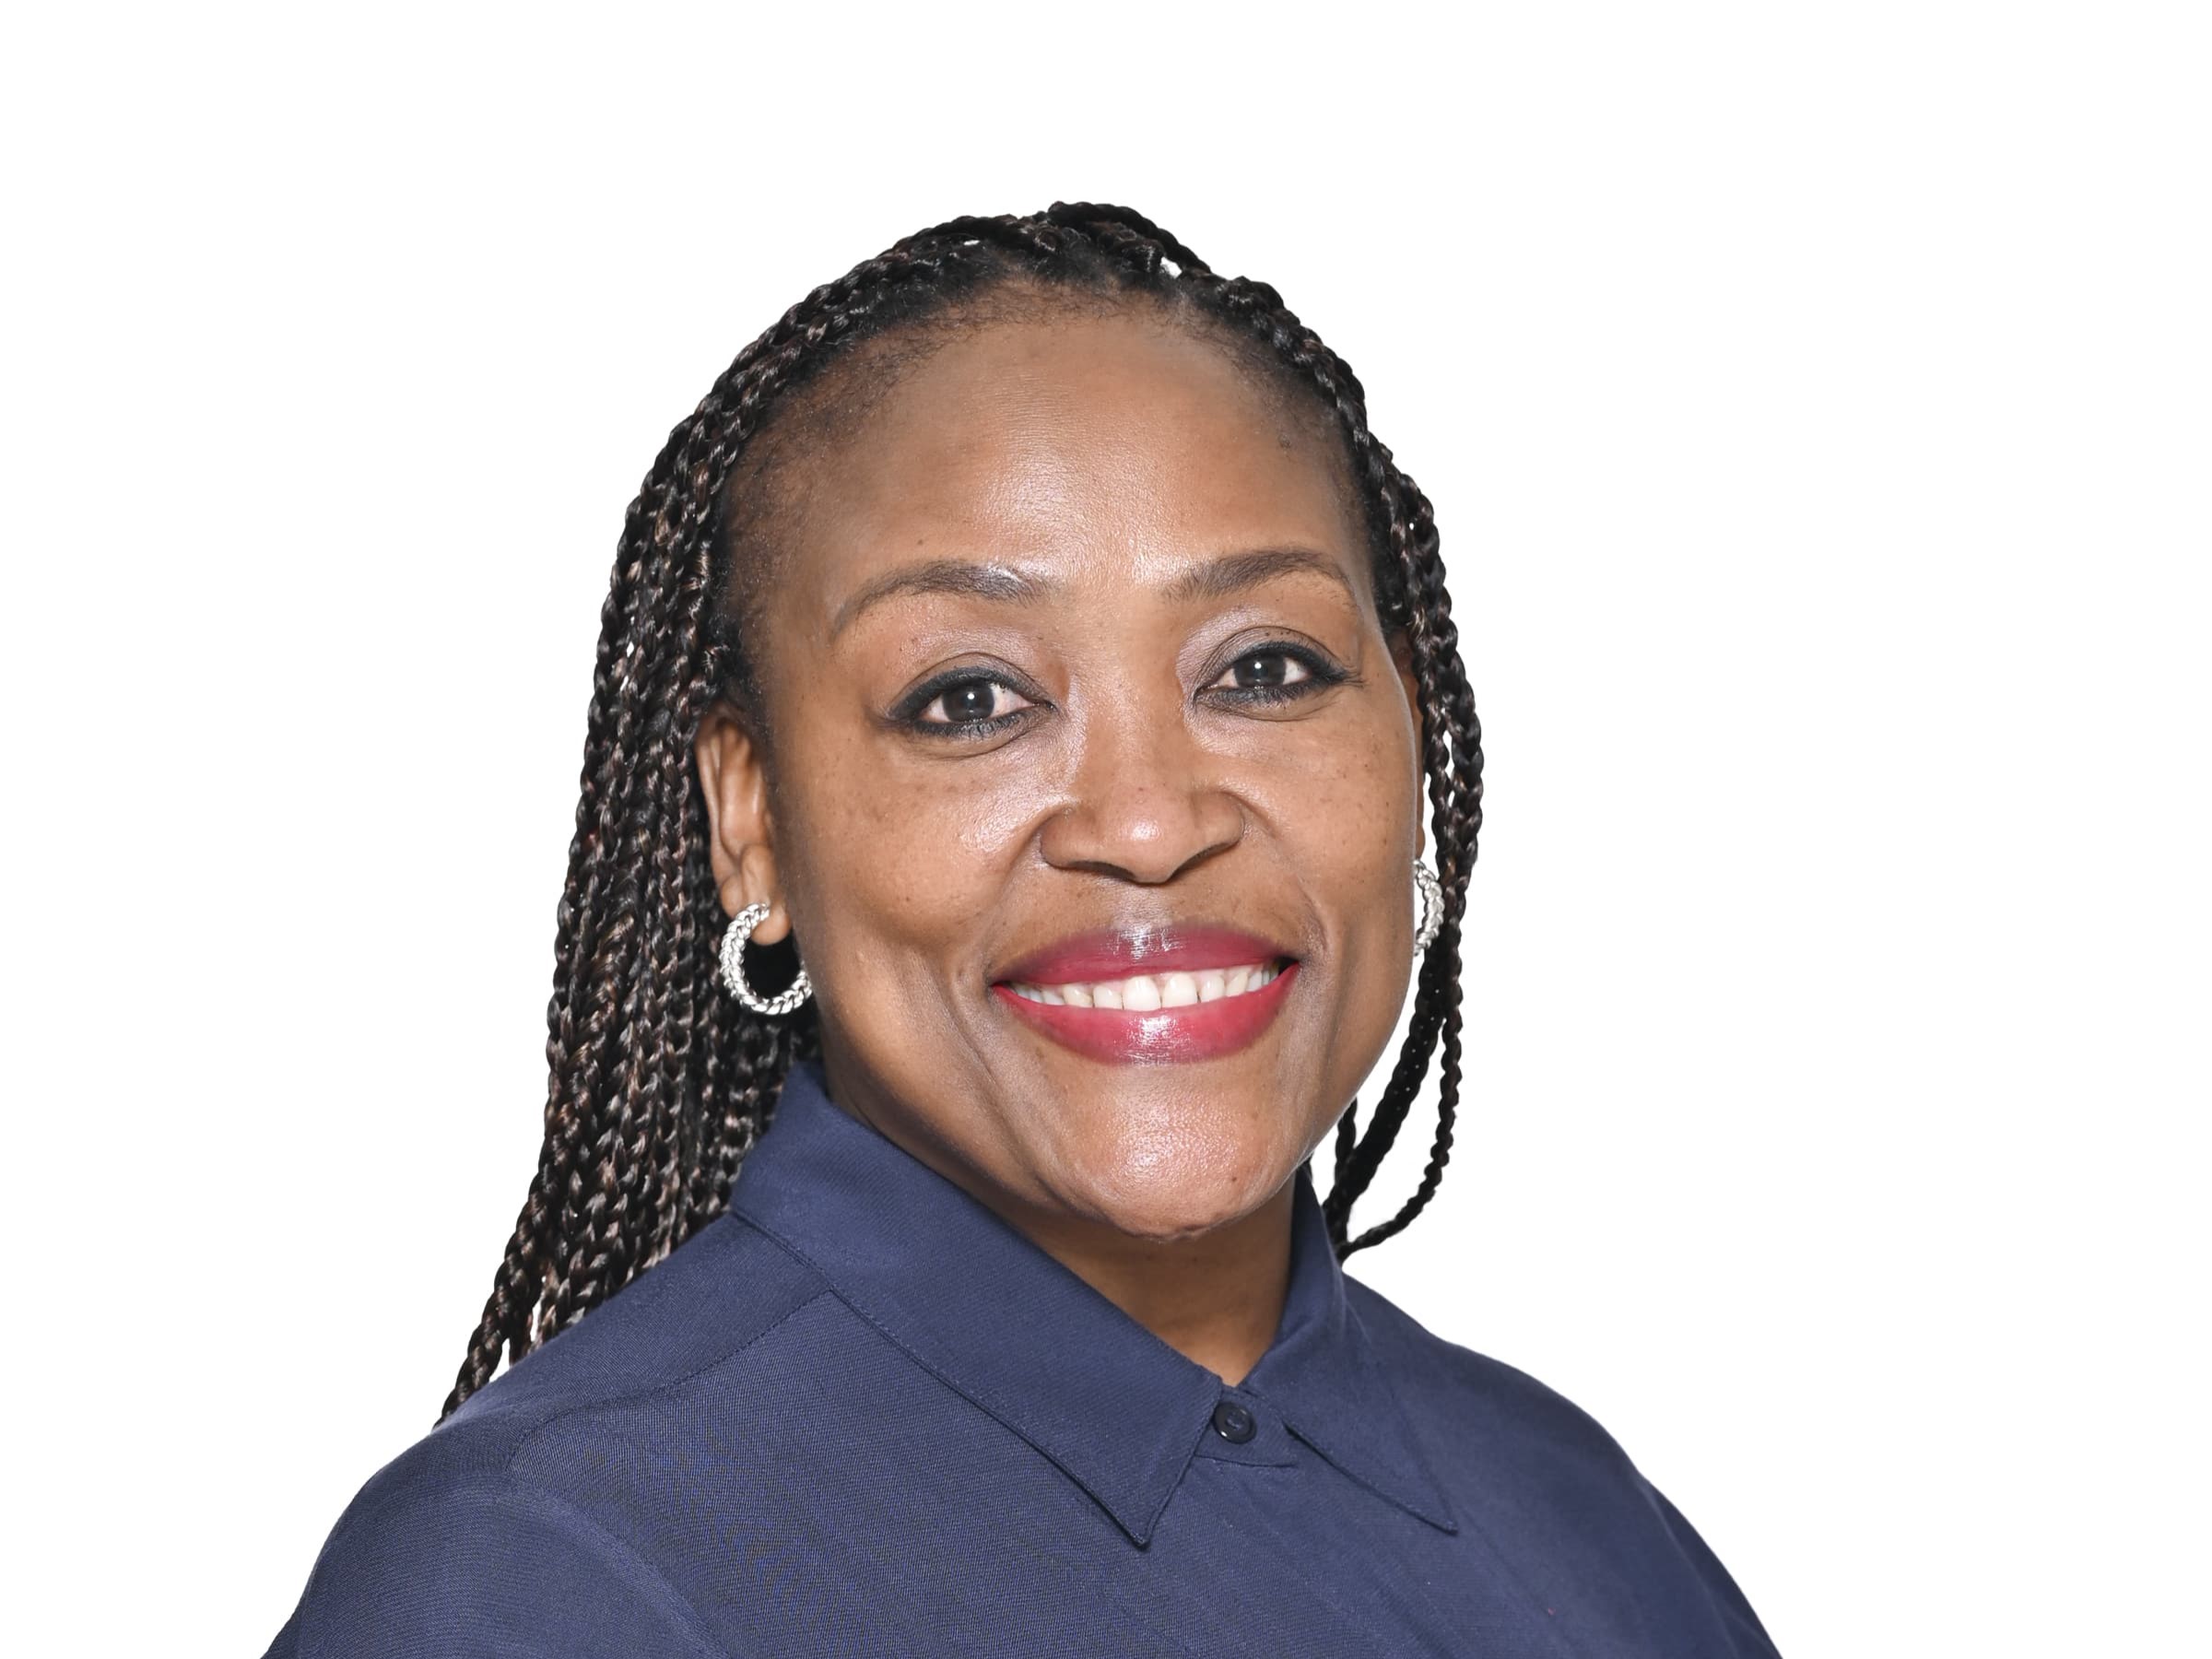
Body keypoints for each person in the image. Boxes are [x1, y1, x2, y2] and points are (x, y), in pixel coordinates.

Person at [260, 202, 1781, 1657]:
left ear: (1413, 736)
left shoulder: (1581, 1517)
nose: (1149, 821)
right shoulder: (544, 1576)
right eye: (970, 699)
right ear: (754, 823)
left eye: (1265, 670)